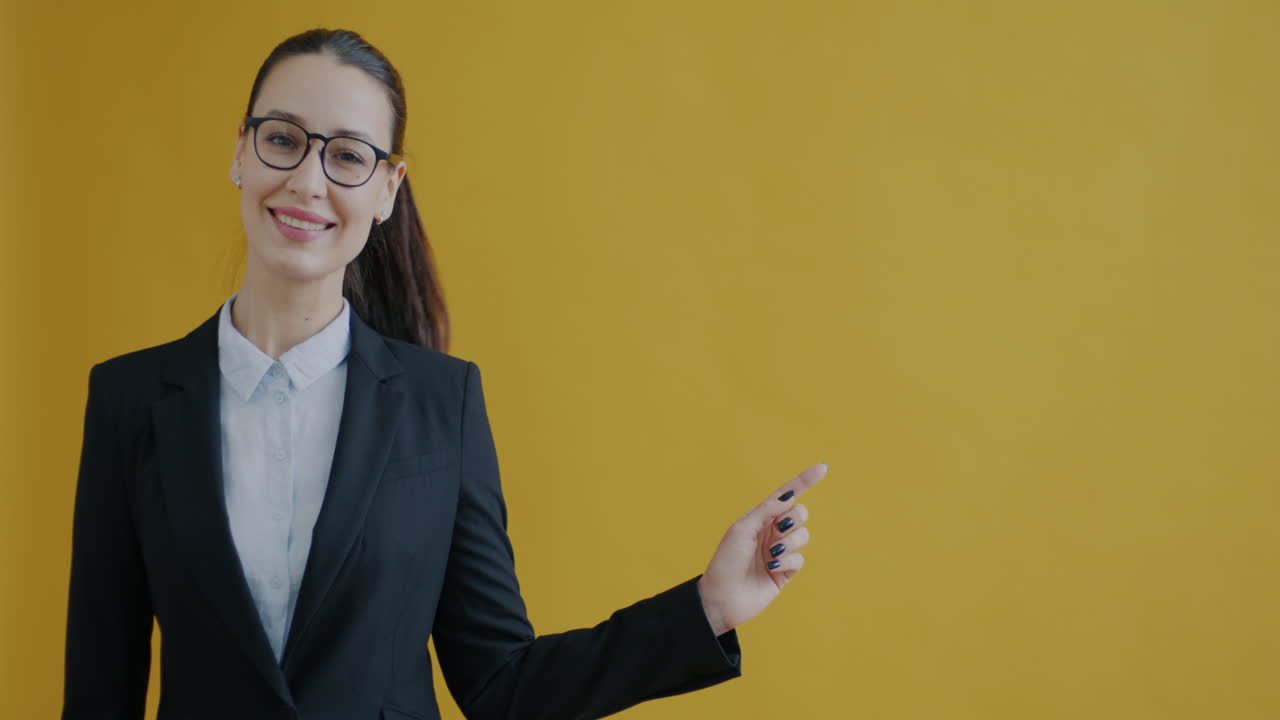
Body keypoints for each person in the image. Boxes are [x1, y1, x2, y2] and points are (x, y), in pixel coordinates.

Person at [62, 28, 828, 720]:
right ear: (240, 150)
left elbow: (502, 684)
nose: (307, 181)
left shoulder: (442, 404)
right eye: (283, 139)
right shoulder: (130, 399)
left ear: (388, 189)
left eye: (349, 156)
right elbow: (99, 691)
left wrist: (709, 606)